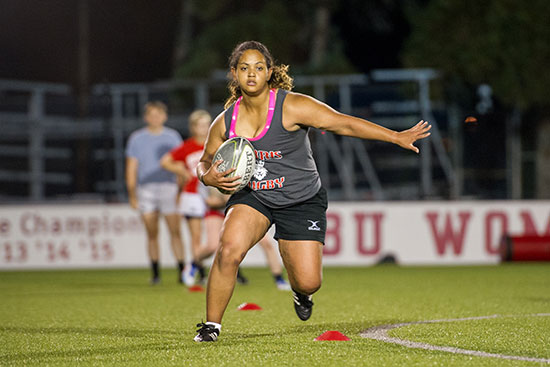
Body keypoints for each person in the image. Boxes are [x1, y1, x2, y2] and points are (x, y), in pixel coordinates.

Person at [193, 41, 432, 342]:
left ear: (269, 72)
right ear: (234, 74)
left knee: (309, 282)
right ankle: (211, 326)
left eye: (258, 67)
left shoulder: (293, 106)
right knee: (228, 249)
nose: (251, 74)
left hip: (301, 199)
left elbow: (343, 124)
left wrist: (395, 136)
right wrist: (208, 176)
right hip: (255, 196)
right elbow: (204, 161)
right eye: (244, 68)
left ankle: (299, 290)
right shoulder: (225, 120)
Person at [125, 101, 186, 285]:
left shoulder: (173, 137)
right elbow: (131, 168)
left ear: (164, 116)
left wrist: (180, 190)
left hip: (168, 187)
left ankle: (183, 272)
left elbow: (180, 165)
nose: (155, 118)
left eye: (158, 114)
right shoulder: (137, 139)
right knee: (152, 232)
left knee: (175, 231)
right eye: (151, 114)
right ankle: (155, 273)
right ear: (146, 117)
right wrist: (132, 194)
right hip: (146, 189)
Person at [200, 187, 292, 290]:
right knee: (213, 247)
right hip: (217, 212)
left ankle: (279, 279)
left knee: (266, 243)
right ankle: (196, 263)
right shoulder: (211, 173)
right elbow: (210, 201)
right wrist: (226, 199)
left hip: (241, 211)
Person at [160, 109, 211, 286]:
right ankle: (200, 271)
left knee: (216, 239)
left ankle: (196, 266)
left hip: (213, 194)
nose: (204, 129)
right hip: (192, 195)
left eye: (206, 125)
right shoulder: (187, 146)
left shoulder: (214, 144)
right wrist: (181, 171)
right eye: (200, 125)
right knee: (196, 236)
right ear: (193, 127)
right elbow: (165, 161)